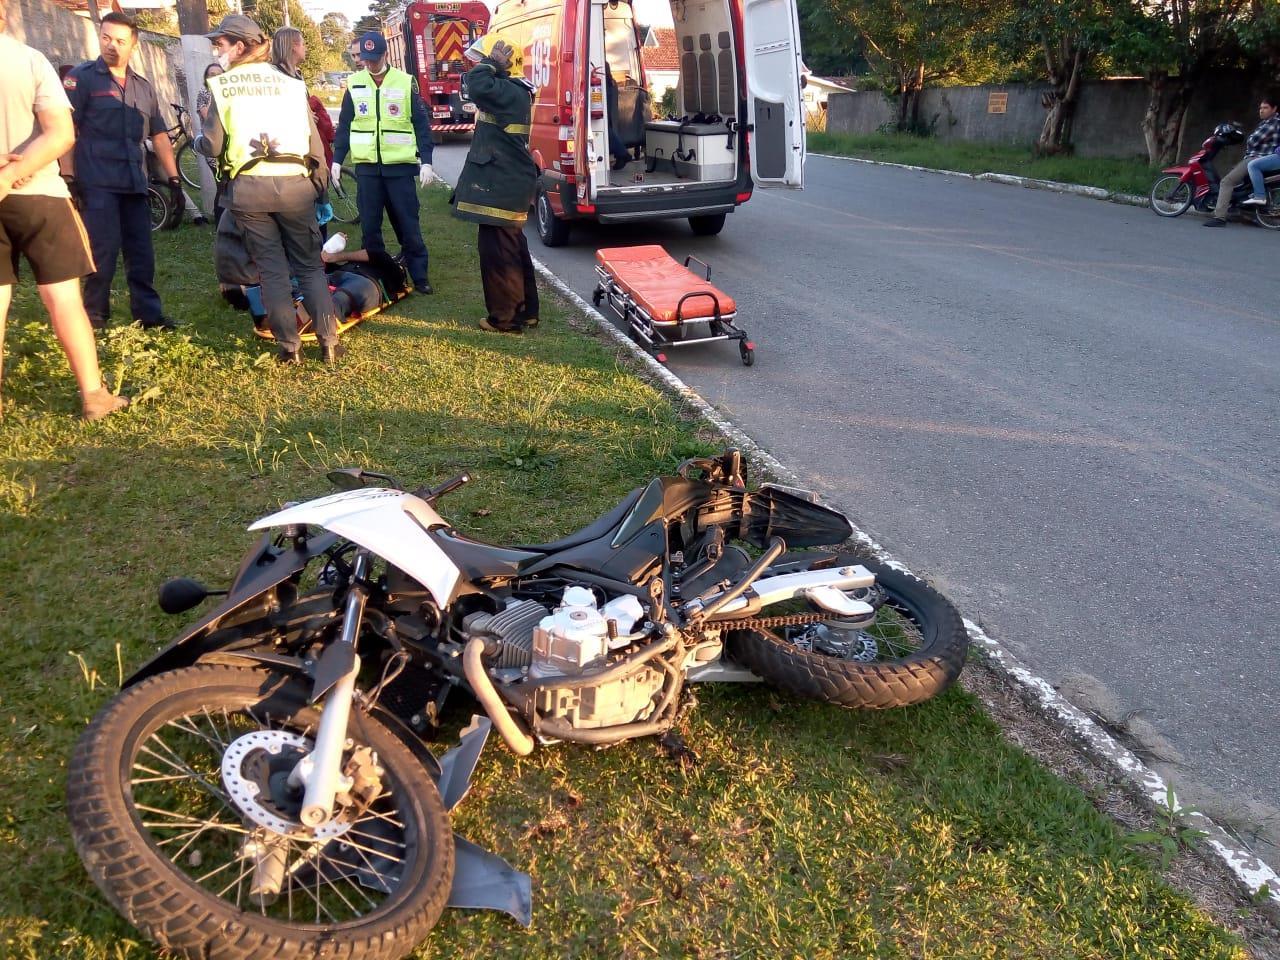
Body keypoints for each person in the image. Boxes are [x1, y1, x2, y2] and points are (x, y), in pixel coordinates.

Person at [0, 0, 128, 420]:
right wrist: (11, 175)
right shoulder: (29, 60)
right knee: (64, 300)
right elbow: (60, 133)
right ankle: (94, 395)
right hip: (38, 195)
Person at [197, 13, 345, 365]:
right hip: (296, 188)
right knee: (309, 265)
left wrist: (198, 140)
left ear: (240, 46)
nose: (219, 51)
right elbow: (314, 144)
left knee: (272, 270)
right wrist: (320, 189)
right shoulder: (292, 84)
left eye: (221, 44)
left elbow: (213, 145)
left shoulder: (224, 86)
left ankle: (289, 347)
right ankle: (328, 342)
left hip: (249, 192)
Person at [63, 11, 181, 329]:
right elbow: (67, 130)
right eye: (106, 38)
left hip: (135, 183)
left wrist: (174, 179)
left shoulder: (143, 87)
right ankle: (95, 313)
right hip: (97, 182)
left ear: (133, 45)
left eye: (119, 40)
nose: (111, 46)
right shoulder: (82, 78)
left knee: (141, 252)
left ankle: (147, 314)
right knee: (102, 249)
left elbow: (158, 134)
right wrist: (69, 177)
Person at [332, 31, 434, 295]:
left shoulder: (404, 82)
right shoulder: (354, 83)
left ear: (385, 55)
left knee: (408, 223)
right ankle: (373, 273)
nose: (370, 64)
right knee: (370, 225)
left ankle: (419, 274)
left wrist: (427, 161)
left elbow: (421, 124)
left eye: (374, 59)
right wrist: (336, 160)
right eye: (366, 60)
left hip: (399, 169)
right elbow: (344, 125)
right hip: (367, 169)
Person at [451, 35, 539, 334]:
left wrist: (491, 63)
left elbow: (474, 84)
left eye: (485, 58)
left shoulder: (505, 90)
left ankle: (504, 320)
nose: (479, 63)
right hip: (508, 182)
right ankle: (526, 312)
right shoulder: (515, 90)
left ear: (505, 60)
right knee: (513, 250)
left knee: (499, 256)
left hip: (502, 184)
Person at [1204, 94, 1280, 226]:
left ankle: (1220, 217)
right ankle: (1234, 208)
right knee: (1234, 177)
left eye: (1266, 108)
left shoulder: (1273, 123)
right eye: (1260, 108)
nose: (1261, 110)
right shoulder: (1267, 122)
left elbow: (1253, 140)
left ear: (1274, 109)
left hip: (1256, 158)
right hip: (1255, 157)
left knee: (1226, 182)